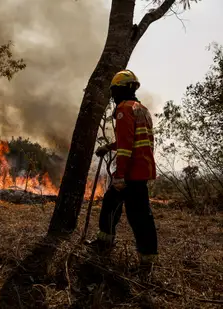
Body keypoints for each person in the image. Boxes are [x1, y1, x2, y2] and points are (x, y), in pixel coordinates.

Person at [88, 69, 158, 268]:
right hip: (142, 170)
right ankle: (148, 258)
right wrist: (108, 147)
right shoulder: (141, 109)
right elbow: (132, 140)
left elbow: (127, 147)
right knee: (139, 213)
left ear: (121, 89)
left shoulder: (123, 109)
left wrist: (120, 176)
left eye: (114, 90)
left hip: (130, 173)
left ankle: (105, 244)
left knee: (120, 208)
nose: (113, 95)